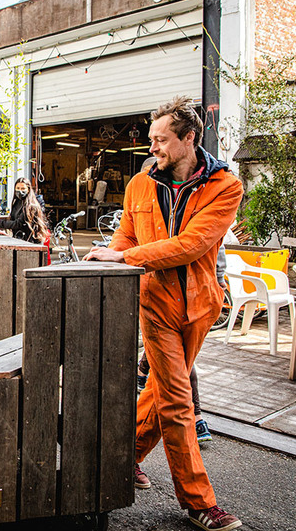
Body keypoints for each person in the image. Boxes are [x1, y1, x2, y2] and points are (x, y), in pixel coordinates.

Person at [83, 96, 243, 531]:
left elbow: (193, 244)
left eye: (161, 139)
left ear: (189, 138)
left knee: (161, 389)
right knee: (176, 398)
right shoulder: (140, 183)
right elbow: (126, 235)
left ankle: (124, 456)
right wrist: (111, 254)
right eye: (151, 139)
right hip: (155, 303)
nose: (152, 147)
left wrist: (125, 256)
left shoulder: (226, 185)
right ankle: (198, 502)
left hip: (201, 305)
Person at [133, 156, 212, 444]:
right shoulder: (145, 209)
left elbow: (205, 252)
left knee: (176, 368)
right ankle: (195, 419)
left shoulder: (187, 209)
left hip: (190, 301)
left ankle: (194, 419)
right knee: (174, 367)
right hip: (155, 298)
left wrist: (216, 284)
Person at [0, 176, 49, 244]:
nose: (20, 191)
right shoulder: (17, 202)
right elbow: (13, 219)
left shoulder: (31, 205)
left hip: (30, 240)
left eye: (23, 188)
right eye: (18, 188)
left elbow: (18, 224)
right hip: (20, 238)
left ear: (28, 189)